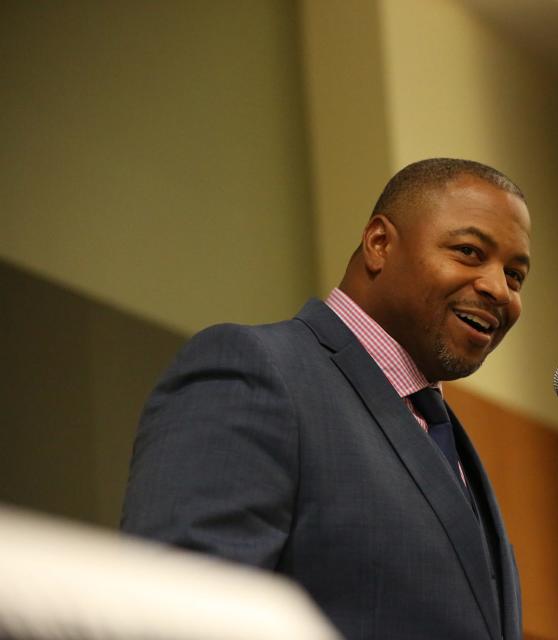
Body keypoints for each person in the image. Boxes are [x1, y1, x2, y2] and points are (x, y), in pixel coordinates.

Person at [121, 158, 531, 640]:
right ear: (379, 244)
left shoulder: (441, 432)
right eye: (468, 251)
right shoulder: (255, 370)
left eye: (516, 276)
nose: (498, 289)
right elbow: (179, 617)